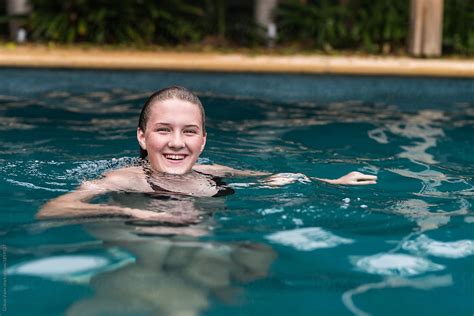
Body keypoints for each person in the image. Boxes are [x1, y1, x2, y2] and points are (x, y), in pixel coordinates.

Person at [37, 86, 377, 223]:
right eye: (163, 130)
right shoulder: (124, 179)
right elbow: (53, 210)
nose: (176, 142)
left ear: (202, 141)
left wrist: (332, 181)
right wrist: (137, 214)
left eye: (189, 132)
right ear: (142, 137)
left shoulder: (213, 171)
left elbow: (273, 178)